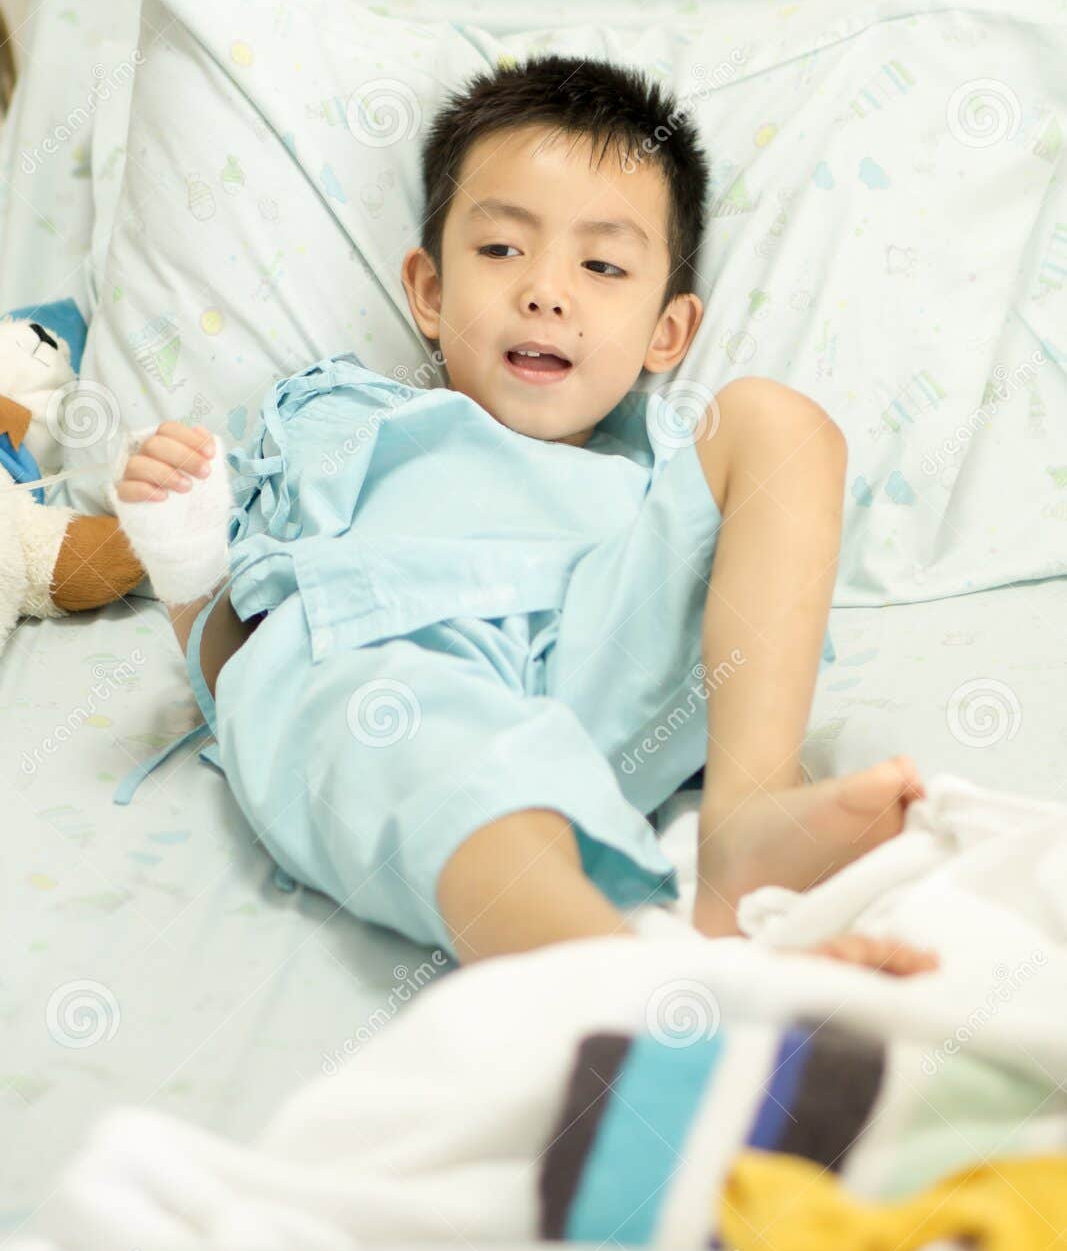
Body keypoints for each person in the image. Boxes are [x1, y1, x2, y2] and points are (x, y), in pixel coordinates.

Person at [112, 55, 931, 971]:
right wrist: (186, 561)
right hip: (403, 672)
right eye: (501, 250)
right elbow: (250, 664)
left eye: (604, 264)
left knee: (781, 423)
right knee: (455, 773)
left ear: (667, 331)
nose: (546, 290)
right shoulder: (347, 420)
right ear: (428, 291)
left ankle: (746, 820)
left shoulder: (665, 469)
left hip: (605, 666)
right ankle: (638, 994)